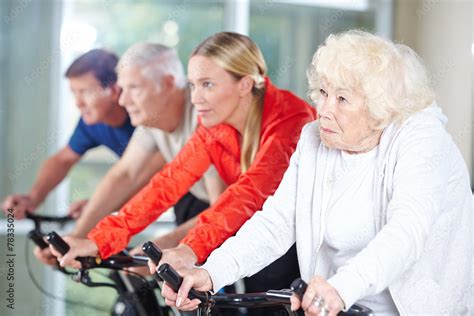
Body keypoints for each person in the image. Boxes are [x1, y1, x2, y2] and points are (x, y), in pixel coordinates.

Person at [161, 30, 473, 316]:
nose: (324, 109)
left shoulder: (421, 139)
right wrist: (212, 272)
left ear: (381, 108)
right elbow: (276, 222)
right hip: (339, 305)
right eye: (323, 92)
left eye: (342, 99)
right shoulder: (315, 138)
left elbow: (408, 229)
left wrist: (342, 287)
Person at [50, 32, 317, 315]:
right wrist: (98, 241)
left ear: (245, 84)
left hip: (305, 247)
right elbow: (167, 184)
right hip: (260, 240)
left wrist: (189, 249)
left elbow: (249, 194)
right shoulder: (214, 125)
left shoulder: (291, 120)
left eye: (208, 85)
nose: (196, 97)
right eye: (192, 85)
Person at [35, 43, 226, 267]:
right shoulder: (152, 120)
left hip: (254, 215)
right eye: (123, 89)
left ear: (167, 83)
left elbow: (223, 207)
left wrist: (170, 244)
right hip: (212, 208)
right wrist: (75, 240)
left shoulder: (205, 119)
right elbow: (124, 175)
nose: (123, 101)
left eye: (133, 88)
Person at [2, 49, 133, 220]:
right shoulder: (92, 122)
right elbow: (62, 160)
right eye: (74, 93)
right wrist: (32, 198)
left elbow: (142, 177)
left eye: (86, 92)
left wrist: (98, 205)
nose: (78, 103)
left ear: (114, 90)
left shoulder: (143, 117)